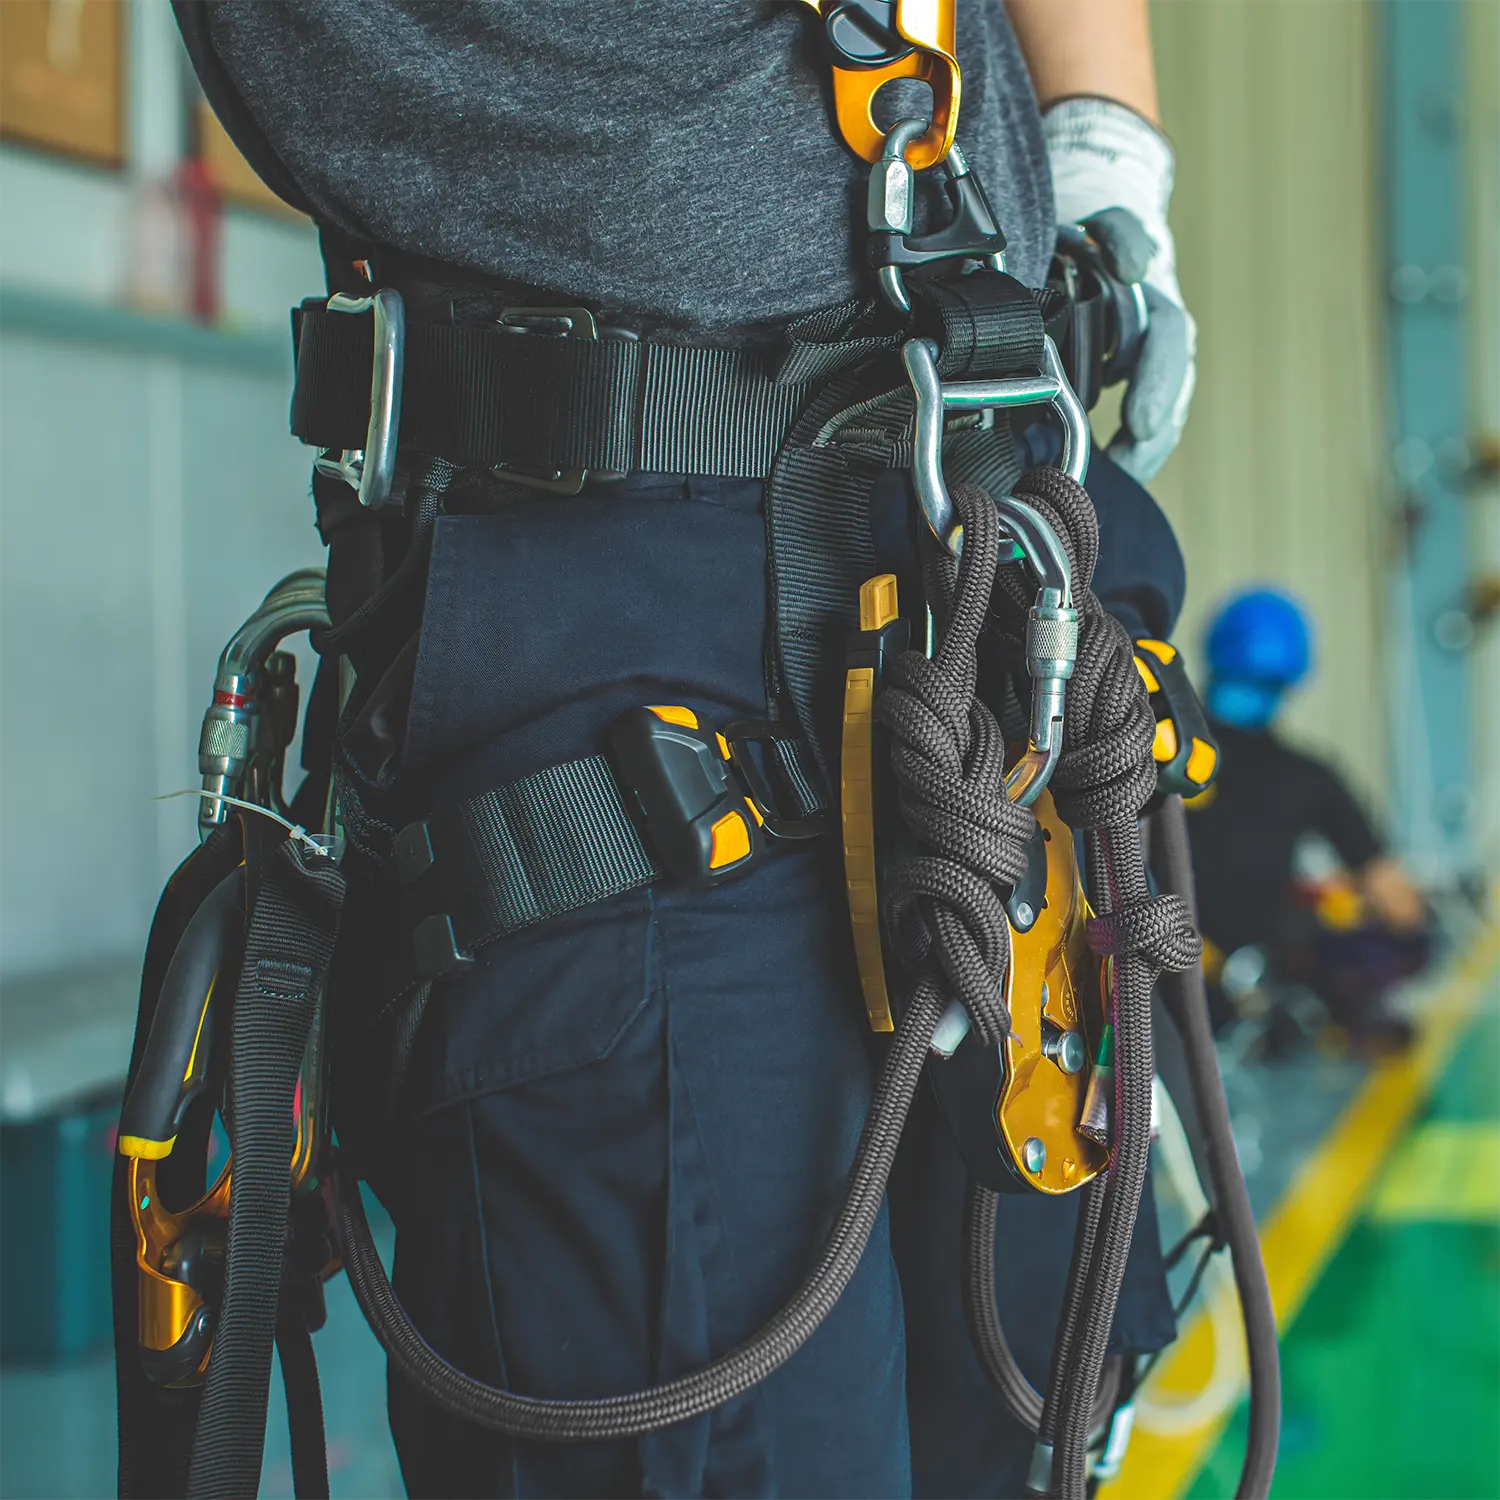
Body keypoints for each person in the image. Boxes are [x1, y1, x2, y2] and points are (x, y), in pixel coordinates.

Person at [163, 3, 1199, 1496]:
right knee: (716, 1438)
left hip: (971, 518)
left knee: (1027, 1403)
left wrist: (1106, 152)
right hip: (626, 585)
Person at [1188, 588, 1430, 1053]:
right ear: (1292, 678)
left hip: (1153, 976)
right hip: (1256, 991)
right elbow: (1399, 903)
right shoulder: (1310, 777)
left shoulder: (1154, 757)